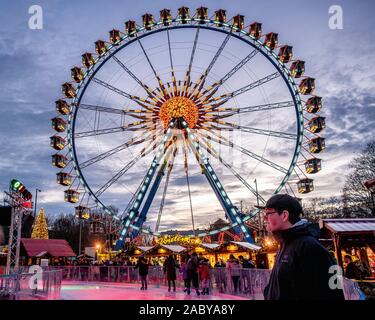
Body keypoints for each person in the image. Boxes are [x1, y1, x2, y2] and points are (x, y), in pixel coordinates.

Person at [258, 194, 345, 300]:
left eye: (268, 213)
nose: (264, 217)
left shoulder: (310, 247)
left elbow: (332, 293)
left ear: (284, 215)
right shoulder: (285, 245)